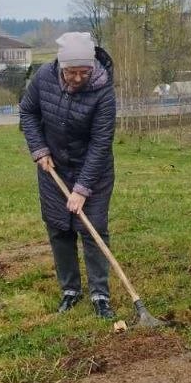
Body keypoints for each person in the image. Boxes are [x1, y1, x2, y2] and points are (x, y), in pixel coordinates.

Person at [19, 31, 118, 319]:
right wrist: (39, 149)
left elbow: (101, 143)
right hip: (54, 169)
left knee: (93, 229)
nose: (76, 78)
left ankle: (100, 294)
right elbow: (27, 111)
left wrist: (82, 188)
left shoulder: (103, 91)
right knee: (59, 228)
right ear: (61, 66)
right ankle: (70, 290)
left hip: (94, 170)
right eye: (71, 72)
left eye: (83, 72)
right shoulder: (43, 78)